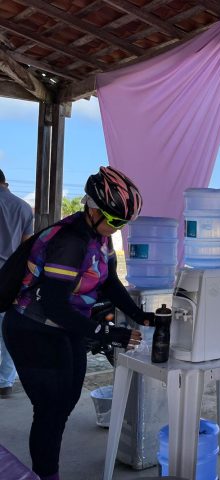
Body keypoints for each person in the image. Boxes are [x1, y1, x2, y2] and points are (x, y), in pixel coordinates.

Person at [1, 166, 155, 480]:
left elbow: (110, 282)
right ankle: (46, 475)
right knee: (50, 410)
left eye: (124, 223)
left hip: (66, 326)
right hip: (33, 329)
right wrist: (108, 332)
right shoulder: (69, 241)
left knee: (66, 401)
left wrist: (139, 314)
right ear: (93, 210)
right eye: (115, 221)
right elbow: (54, 305)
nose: (118, 228)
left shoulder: (100, 237)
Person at [0, 168, 33, 398]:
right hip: (9, 277)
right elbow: (27, 248)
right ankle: (5, 382)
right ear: (6, 183)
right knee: (8, 332)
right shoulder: (23, 208)